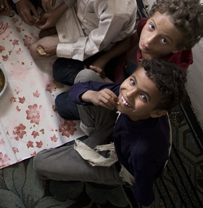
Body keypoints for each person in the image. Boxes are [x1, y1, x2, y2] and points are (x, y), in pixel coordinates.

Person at [33, 59, 187, 207]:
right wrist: (93, 96)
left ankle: (96, 150)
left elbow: (144, 196)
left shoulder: (143, 150)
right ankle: (93, 135)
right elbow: (76, 91)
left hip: (121, 163)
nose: (129, 93)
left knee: (40, 163)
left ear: (157, 112)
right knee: (84, 76)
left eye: (143, 96)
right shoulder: (129, 95)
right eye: (132, 81)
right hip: (115, 128)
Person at [88, 0, 203, 83]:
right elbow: (132, 39)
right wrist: (102, 61)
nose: (148, 40)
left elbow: (134, 98)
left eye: (164, 40)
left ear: (177, 48)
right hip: (121, 68)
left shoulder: (168, 73)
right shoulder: (146, 28)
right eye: (152, 27)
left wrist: (104, 80)